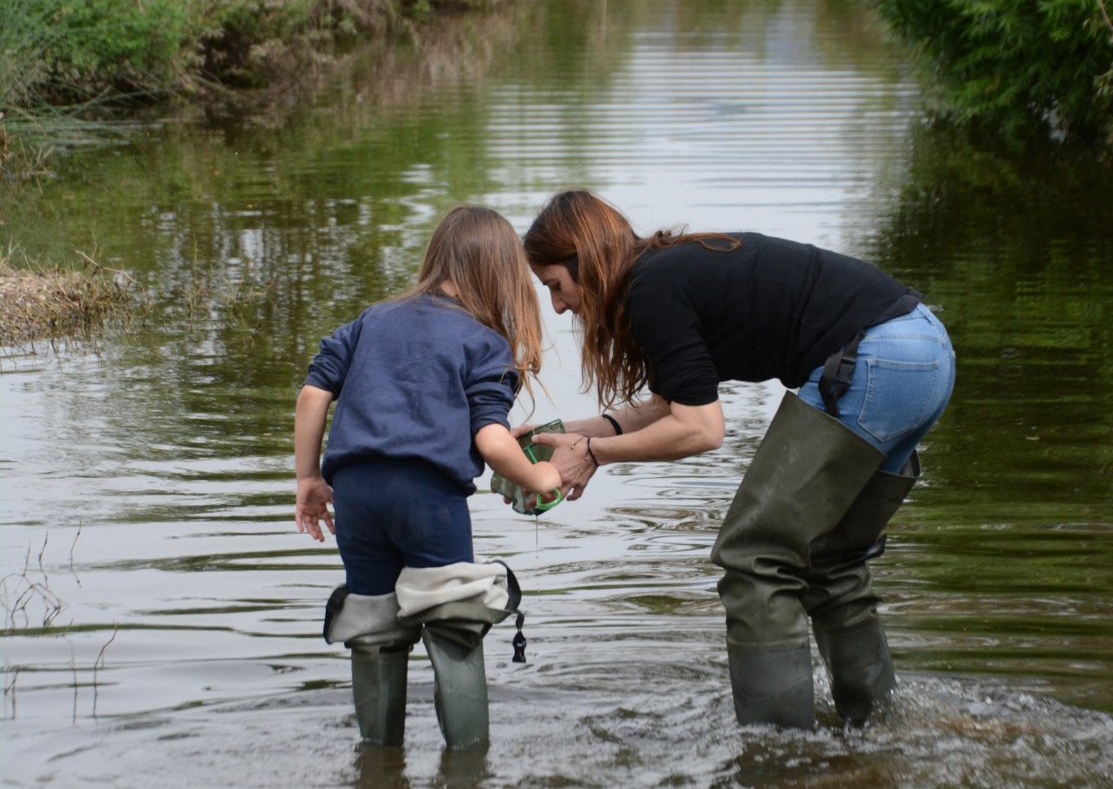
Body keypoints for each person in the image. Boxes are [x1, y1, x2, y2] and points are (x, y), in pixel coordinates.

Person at [522, 189, 955, 730]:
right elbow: (671, 407)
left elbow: (701, 430)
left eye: (556, 287)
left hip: (875, 359)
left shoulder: (652, 287)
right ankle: (881, 730)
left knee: (754, 556)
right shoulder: (667, 270)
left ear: (585, 259)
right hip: (923, 352)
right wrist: (560, 434)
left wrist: (593, 455)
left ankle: (777, 751)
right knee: (832, 559)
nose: (559, 306)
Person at [295, 205, 560, 749]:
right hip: (427, 498)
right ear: (502, 274)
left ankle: (378, 762)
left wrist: (308, 480)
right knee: (454, 623)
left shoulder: (371, 320)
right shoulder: (485, 343)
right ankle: (467, 771)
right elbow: (490, 441)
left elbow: (312, 394)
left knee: (371, 627)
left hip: (357, 495)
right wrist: (538, 475)